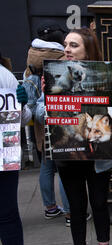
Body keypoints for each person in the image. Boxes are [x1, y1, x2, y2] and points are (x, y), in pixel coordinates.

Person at [35, 28, 112, 245]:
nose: (66, 49)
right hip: (68, 155)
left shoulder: (107, 77)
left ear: (87, 50)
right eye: (66, 44)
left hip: (99, 156)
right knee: (76, 208)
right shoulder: (53, 77)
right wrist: (46, 96)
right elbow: (37, 116)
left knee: (99, 204)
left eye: (73, 45)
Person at [21, 21, 72, 225]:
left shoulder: (31, 64)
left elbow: (29, 102)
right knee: (66, 167)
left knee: (47, 165)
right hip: (64, 121)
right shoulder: (63, 60)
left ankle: (50, 207)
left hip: (42, 125)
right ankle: (70, 212)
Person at [0, 51, 34, 245]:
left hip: (2, 156)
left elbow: (23, 120)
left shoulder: (4, 76)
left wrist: (20, 105)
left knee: (7, 213)